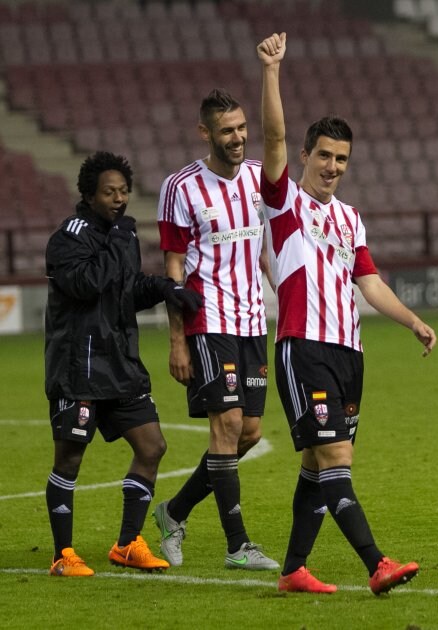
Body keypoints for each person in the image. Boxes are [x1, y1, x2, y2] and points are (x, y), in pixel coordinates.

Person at [257, 33, 437, 594]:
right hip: (302, 346)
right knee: (334, 453)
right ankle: (376, 564)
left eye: (342, 159)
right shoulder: (284, 202)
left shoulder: (350, 219)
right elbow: (274, 135)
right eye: (325, 156)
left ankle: (292, 571)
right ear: (305, 156)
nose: (333, 167)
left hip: (348, 353)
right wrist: (272, 71)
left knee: (320, 464)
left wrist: (411, 320)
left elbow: (370, 282)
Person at [44, 151, 202, 577]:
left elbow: (125, 291)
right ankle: (62, 555)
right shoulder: (69, 238)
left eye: (124, 191)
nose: (120, 199)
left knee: (152, 446)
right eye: (110, 192)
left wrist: (167, 288)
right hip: (79, 367)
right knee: (71, 459)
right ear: (88, 194)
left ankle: (128, 543)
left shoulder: (123, 236)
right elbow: (88, 284)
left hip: (120, 362)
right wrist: (117, 238)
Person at [153, 89, 279, 570]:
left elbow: (267, 248)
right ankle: (238, 546)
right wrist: (177, 339)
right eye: (227, 130)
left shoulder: (257, 179)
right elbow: (174, 266)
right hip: (208, 321)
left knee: (248, 432)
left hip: (251, 321)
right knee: (226, 425)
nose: (239, 137)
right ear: (205, 132)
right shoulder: (181, 187)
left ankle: (174, 511)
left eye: (243, 127)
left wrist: (282, 297)